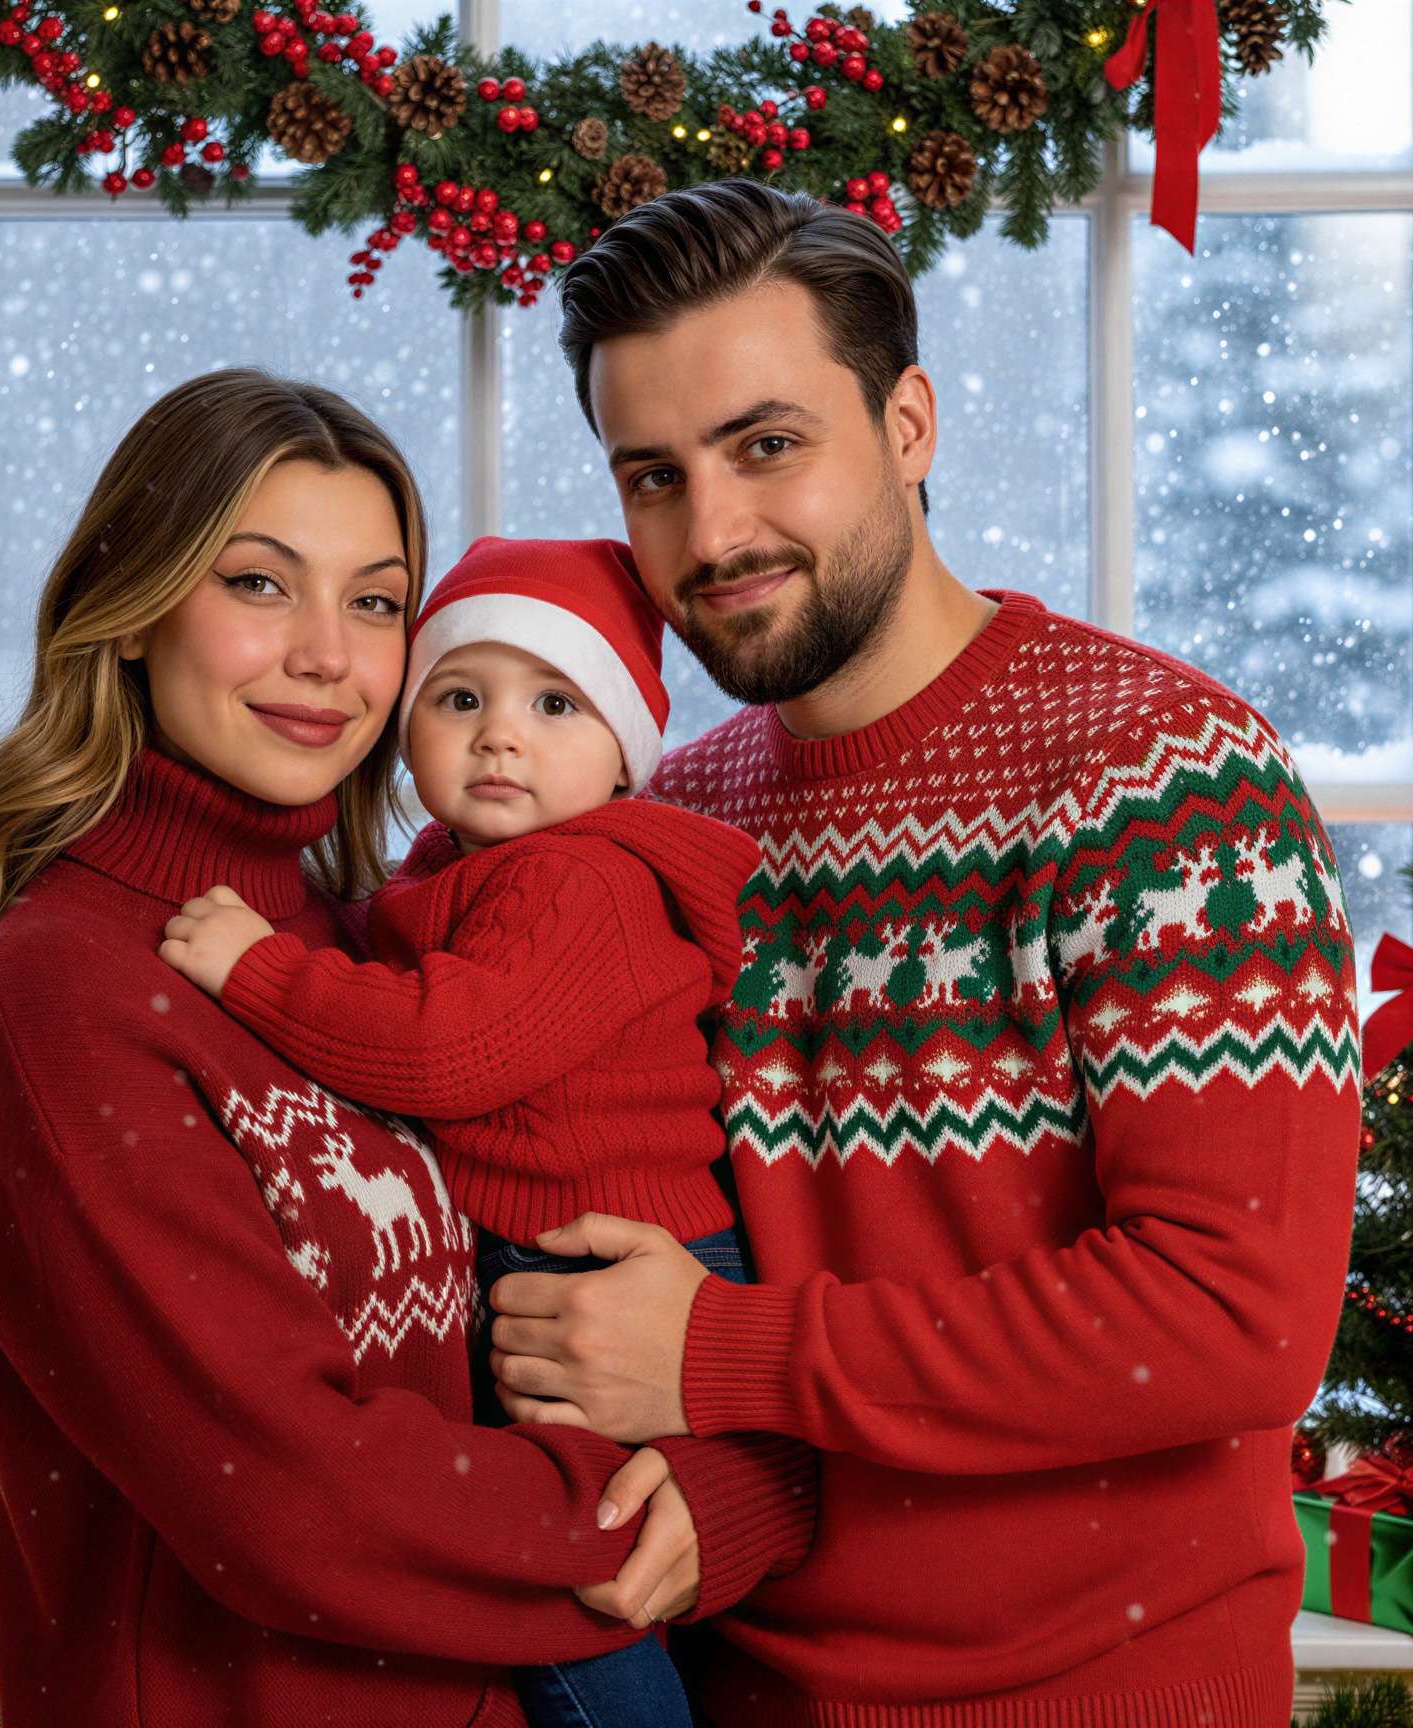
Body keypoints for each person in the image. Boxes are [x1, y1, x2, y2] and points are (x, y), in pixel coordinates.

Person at [485, 181, 1362, 1726]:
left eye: (768, 446)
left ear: (908, 425)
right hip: (733, 1684)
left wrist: (728, 1356)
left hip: (1110, 1696)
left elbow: (1232, 1323)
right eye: (653, 477)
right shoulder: (676, 823)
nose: (714, 531)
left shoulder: (1161, 778)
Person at [0, 370, 814, 1728]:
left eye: (375, 602)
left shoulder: (353, 939)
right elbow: (290, 1499)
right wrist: (679, 1519)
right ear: (135, 611)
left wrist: (742, 1471)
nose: (330, 655)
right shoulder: (73, 986)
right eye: (259, 584)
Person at [159, 535, 768, 1728]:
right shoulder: (451, 868)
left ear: (624, 755)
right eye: (459, 697)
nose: (500, 733)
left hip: (606, 1269)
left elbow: (450, 1050)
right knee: (583, 1561)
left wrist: (260, 973)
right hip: (560, 1256)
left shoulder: (577, 878)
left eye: (554, 702)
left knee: (572, 1576)